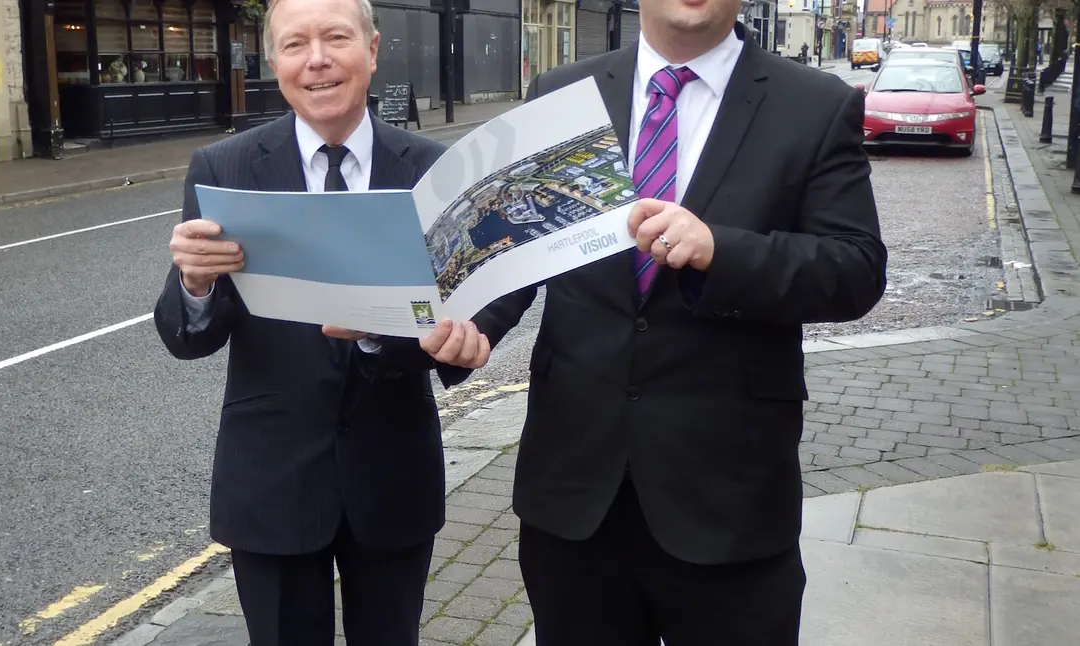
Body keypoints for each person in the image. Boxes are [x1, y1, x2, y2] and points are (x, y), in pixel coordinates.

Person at [424, 5, 888, 645]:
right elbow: (517, 248)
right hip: (575, 497)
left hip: (728, 501)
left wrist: (720, 251)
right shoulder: (561, 95)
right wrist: (463, 331)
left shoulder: (815, 104)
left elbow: (856, 269)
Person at [152, 0, 487, 642]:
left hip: (392, 475)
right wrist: (195, 281)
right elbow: (186, 336)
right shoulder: (223, 169)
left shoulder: (435, 171)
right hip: (271, 481)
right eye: (295, 44)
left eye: (336, 38)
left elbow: (464, 309)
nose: (318, 60)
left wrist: (419, 336)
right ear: (273, 60)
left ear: (373, 49)